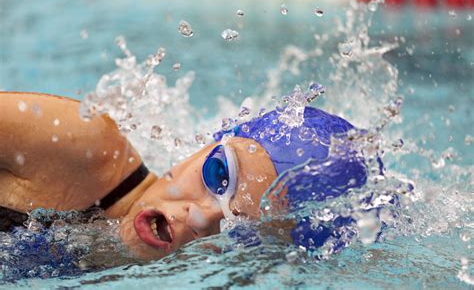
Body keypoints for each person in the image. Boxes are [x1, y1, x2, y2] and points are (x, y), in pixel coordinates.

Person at [0, 91, 368, 267]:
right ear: (209, 143)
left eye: (239, 229)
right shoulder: (79, 146)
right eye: (219, 174)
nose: (201, 216)